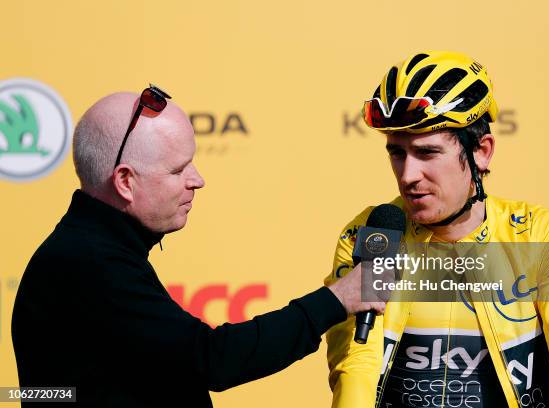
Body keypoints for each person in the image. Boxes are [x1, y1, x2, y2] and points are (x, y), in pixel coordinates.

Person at [11, 86, 385, 407]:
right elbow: (213, 360)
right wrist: (336, 300)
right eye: (178, 170)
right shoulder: (89, 264)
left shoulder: (92, 250)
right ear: (125, 182)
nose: (197, 180)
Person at [324, 51, 549, 407]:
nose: (408, 175)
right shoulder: (373, 233)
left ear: (481, 152)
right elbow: (356, 366)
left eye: (427, 153)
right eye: (397, 153)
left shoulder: (542, 235)